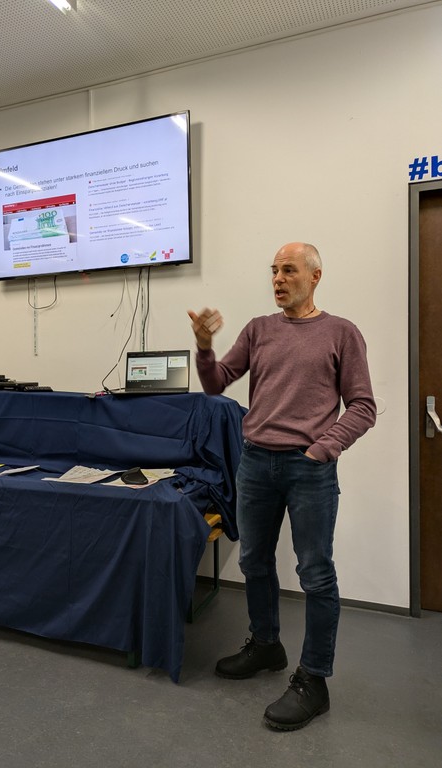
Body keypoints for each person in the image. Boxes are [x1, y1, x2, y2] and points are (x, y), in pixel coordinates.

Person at [188, 242, 376, 731]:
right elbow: (216, 383)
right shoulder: (258, 329)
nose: (277, 279)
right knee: (253, 561)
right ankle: (266, 645)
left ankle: (314, 680)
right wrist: (204, 347)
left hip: (309, 467)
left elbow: (362, 406)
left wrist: (324, 448)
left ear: (315, 276)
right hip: (255, 463)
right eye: (273, 270)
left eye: (288, 270)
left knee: (315, 573)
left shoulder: (341, 332)